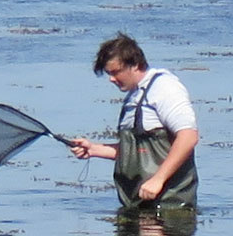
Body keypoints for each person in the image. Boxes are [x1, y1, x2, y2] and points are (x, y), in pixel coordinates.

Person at [70, 33, 199, 210]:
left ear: (136, 65)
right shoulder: (134, 95)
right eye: (108, 73)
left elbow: (188, 137)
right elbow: (137, 152)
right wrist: (94, 149)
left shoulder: (165, 88)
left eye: (115, 72)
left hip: (170, 205)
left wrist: (158, 180)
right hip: (137, 204)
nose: (111, 79)